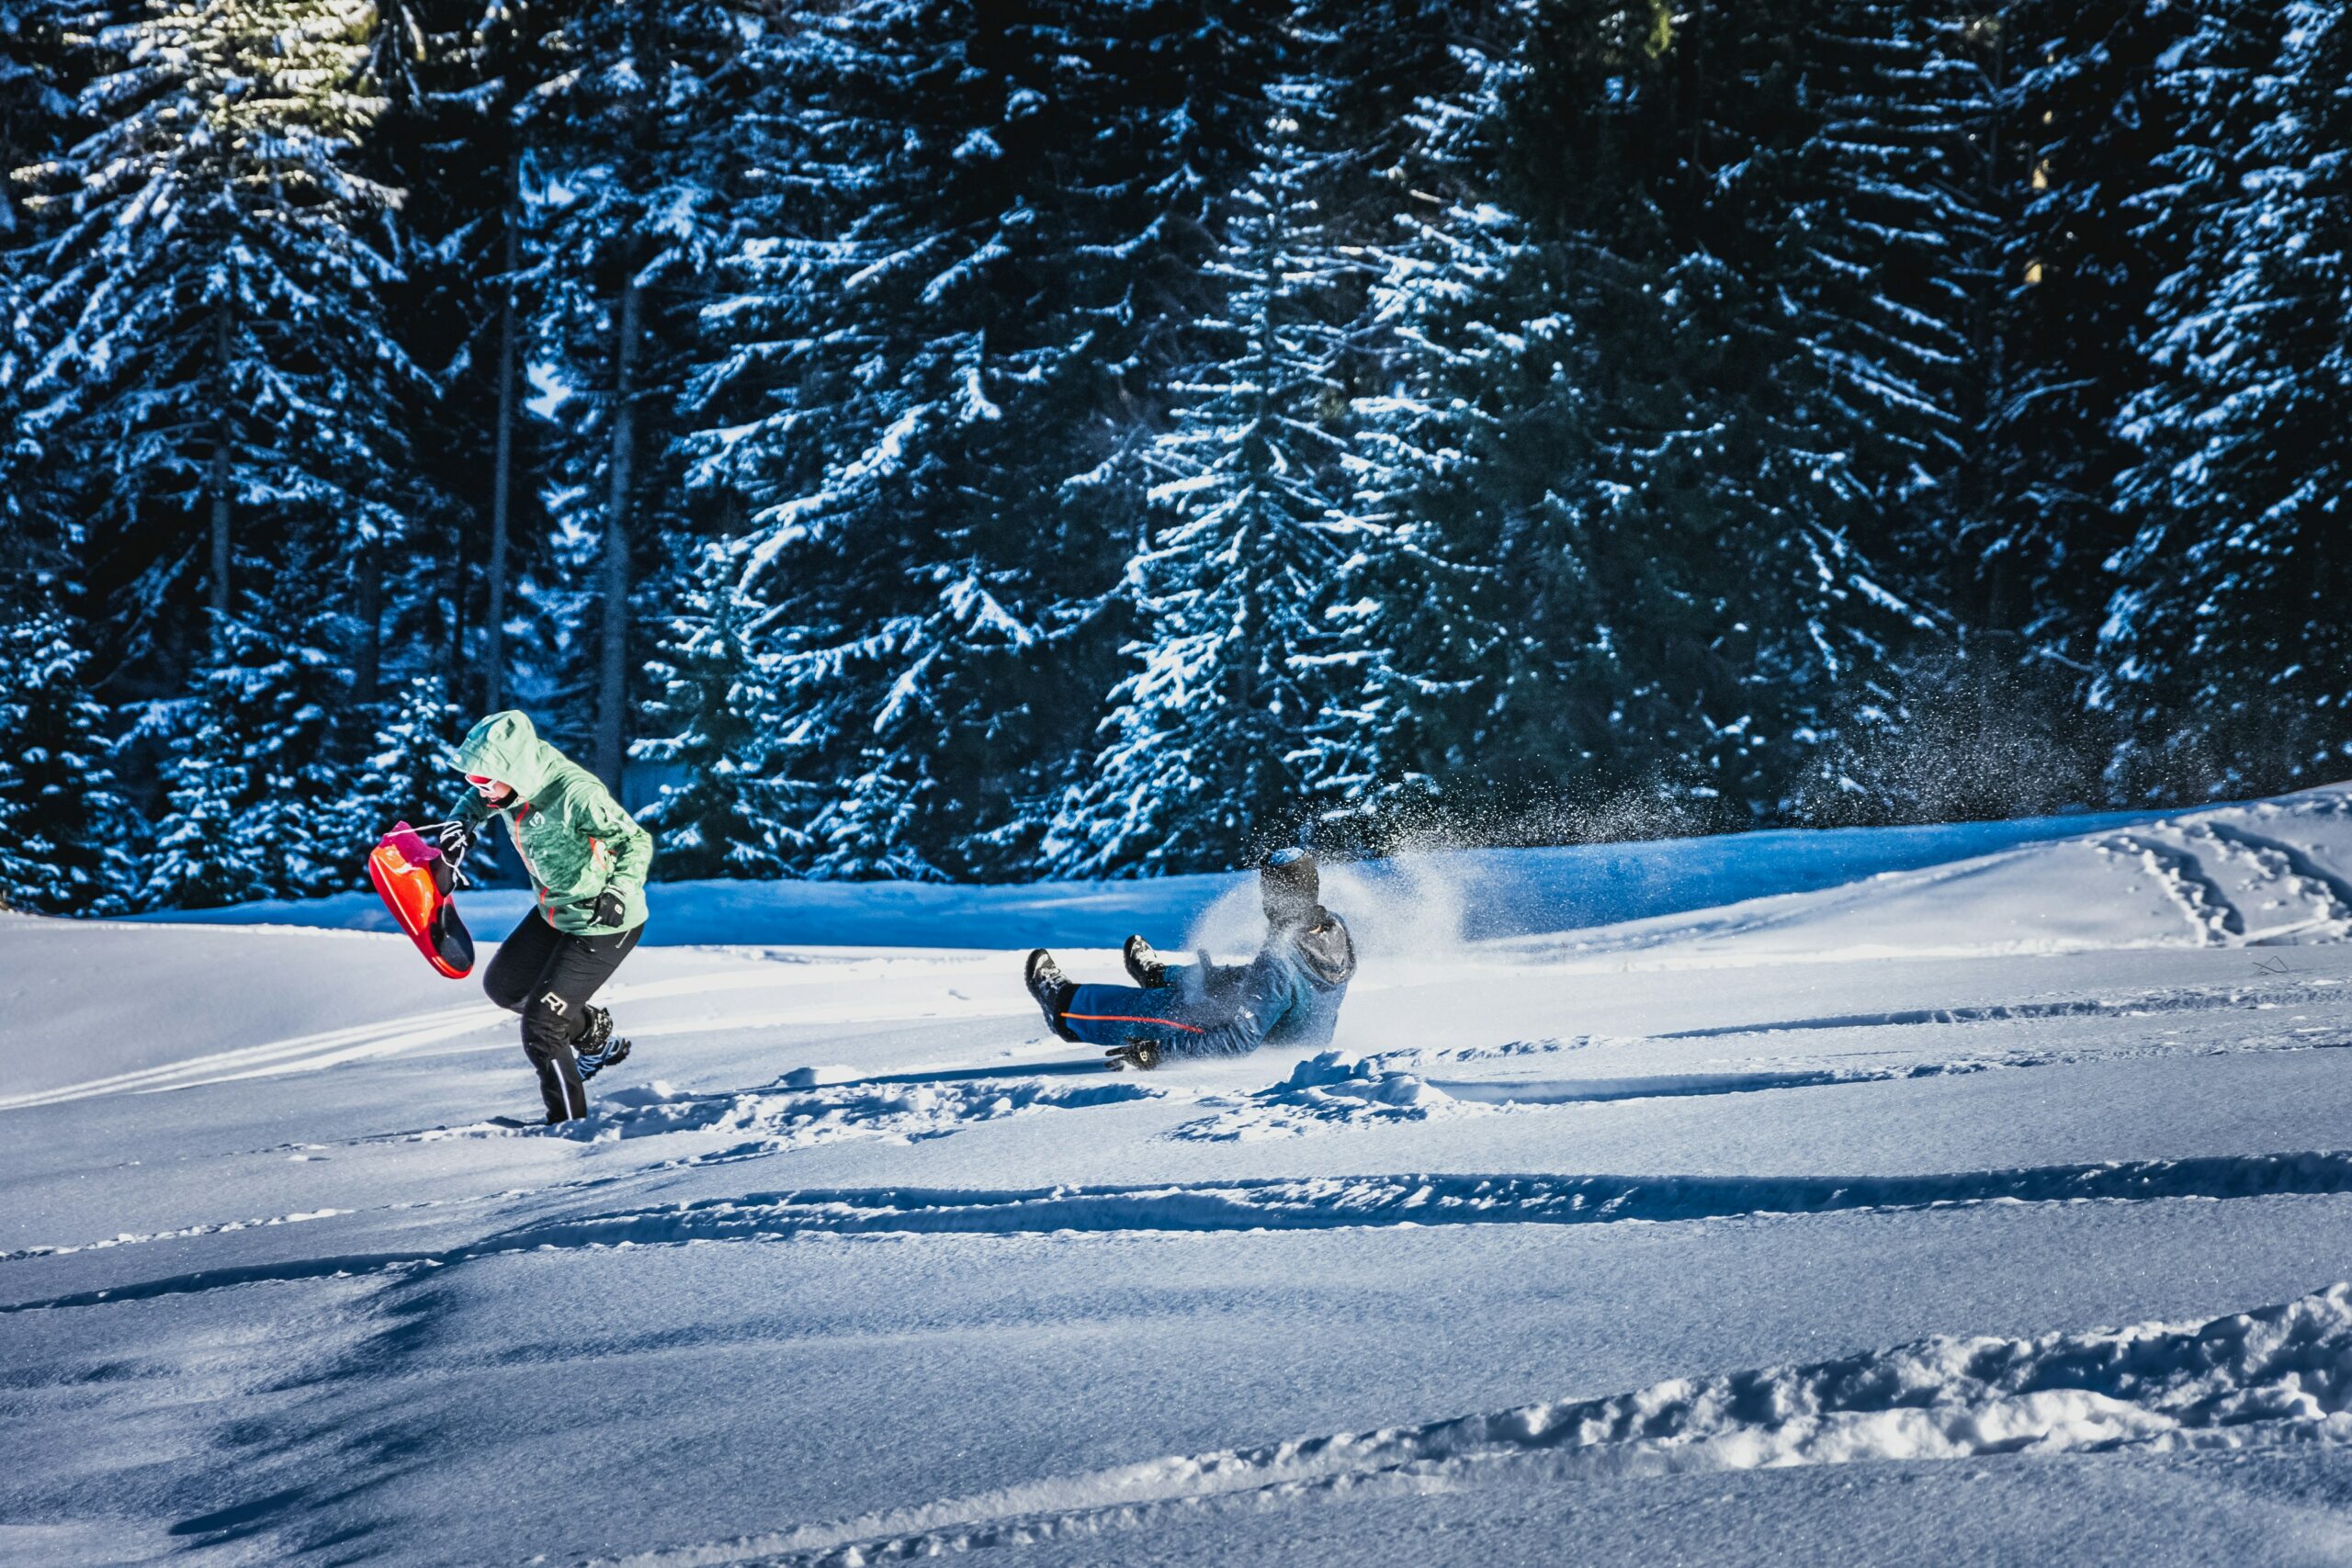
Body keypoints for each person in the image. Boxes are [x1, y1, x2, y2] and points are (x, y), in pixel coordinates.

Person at [435, 710, 653, 1123]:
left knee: (542, 1028)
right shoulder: (509, 788)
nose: (478, 789)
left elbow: (634, 841)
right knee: (505, 987)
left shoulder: (576, 794)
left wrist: (618, 891)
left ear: (512, 769)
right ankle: (594, 1034)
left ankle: (568, 1130)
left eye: (484, 780)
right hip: (554, 911)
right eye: (471, 779)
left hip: (603, 922)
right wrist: (460, 824)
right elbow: (476, 802)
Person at [1024, 847, 1356, 1069]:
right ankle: (1164, 974)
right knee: (1225, 981)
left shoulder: (1279, 957)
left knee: (1163, 1011)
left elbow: (1239, 1040)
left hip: (1267, 1049)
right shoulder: (1332, 927)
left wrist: (1157, 1053)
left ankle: (1066, 1008)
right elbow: (1277, 986)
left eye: (1268, 888)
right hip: (1296, 1033)